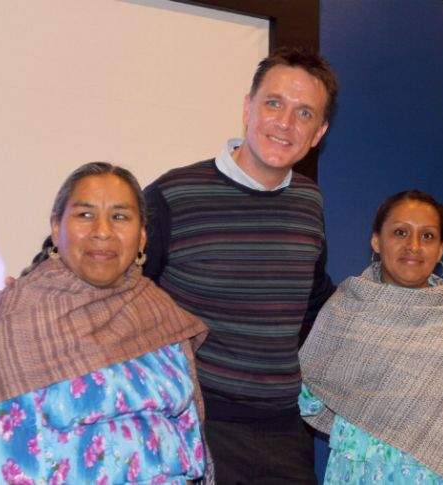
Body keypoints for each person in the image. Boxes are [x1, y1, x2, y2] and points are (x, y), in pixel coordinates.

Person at [142, 47, 338, 483]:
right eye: (274, 103)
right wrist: (35, 290)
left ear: (318, 133)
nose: (285, 123)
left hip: (286, 431)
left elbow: (316, 299)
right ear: (247, 108)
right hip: (196, 422)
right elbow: (108, 267)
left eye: (304, 113)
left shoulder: (310, 202)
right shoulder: (174, 194)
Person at [0, 162, 210, 484]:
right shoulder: (18, 321)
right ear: (56, 226)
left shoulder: (162, 314)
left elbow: (189, 437)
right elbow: (0, 467)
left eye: (120, 216)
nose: (103, 231)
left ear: (143, 234)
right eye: (85, 215)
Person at [298, 190, 443, 485]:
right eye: (400, 232)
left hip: (433, 474)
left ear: (441, 249)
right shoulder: (346, 307)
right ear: (376, 241)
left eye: (427, 236)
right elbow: (310, 396)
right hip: (359, 470)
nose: (413, 246)